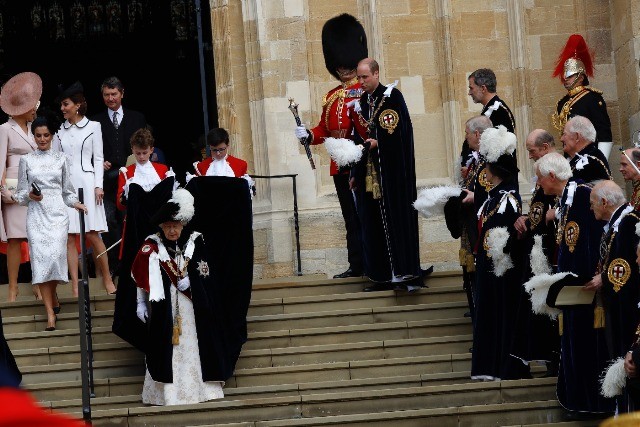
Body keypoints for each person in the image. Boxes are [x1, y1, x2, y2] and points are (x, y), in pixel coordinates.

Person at [533, 152, 614, 417]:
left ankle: (590, 404)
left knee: (587, 346)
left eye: (539, 178)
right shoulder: (566, 200)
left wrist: (600, 274)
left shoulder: (582, 195)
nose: (538, 184)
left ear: (552, 176)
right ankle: (578, 401)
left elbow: (599, 237)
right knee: (573, 343)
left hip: (587, 289)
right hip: (573, 289)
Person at [131, 188, 224, 405]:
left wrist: (192, 279)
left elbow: (206, 269)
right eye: (168, 227)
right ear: (162, 227)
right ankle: (168, 396)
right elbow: (140, 275)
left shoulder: (195, 241)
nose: (172, 231)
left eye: (176, 226)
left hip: (192, 306)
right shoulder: (152, 245)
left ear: (182, 225)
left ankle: (201, 392)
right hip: (164, 307)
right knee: (166, 348)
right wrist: (140, 303)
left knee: (193, 344)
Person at [294, 13, 367, 279]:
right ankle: (356, 263)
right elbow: (324, 130)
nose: (343, 69)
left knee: (364, 216)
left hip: (360, 162)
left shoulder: (364, 91)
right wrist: (307, 134)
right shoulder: (331, 96)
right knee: (350, 218)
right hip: (339, 166)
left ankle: (370, 262)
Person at [350, 58, 421, 291]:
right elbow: (360, 139)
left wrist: (377, 143)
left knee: (393, 221)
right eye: (358, 78)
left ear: (377, 74)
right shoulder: (364, 101)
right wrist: (356, 172)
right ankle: (380, 275)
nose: (360, 82)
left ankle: (402, 274)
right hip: (372, 175)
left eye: (364, 77)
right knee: (373, 224)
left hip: (392, 174)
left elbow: (398, 134)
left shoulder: (391, 98)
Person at [13, 115, 87, 331]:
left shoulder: (62, 158)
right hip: (36, 214)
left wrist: (77, 204)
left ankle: (53, 293)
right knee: (41, 262)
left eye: (46, 135)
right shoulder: (26, 160)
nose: (42, 139)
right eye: (38, 136)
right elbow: (20, 195)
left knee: (54, 258)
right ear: (33, 137)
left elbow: (68, 192)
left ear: (52, 136)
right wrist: (30, 196)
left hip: (57, 215)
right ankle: (49, 313)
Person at [470, 125, 527, 381]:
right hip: (488, 268)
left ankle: (504, 367)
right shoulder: (493, 198)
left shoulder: (509, 199)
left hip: (501, 272)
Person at [53, 81, 116, 296]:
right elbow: (55, 161)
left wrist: (99, 185)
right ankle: (75, 284)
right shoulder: (59, 131)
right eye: (62, 105)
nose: (62, 108)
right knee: (69, 237)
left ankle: (107, 278)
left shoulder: (93, 127)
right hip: (67, 188)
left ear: (77, 105)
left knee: (92, 234)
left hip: (88, 185)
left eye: (66, 104)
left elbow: (98, 159)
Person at [585, 180, 640, 413]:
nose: (590, 208)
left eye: (592, 204)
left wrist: (604, 278)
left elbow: (629, 266)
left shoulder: (629, 223)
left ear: (604, 202)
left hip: (628, 309)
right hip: (616, 306)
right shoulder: (617, 223)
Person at [510, 129, 559, 377]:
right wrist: (525, 219)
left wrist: (555, 214)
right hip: (536, 251)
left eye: (532, 151)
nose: (529, 156)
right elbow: (538, 211)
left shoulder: (559, 173)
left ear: (547, 146)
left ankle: (555, 359)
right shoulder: (542, 174)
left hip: (552, 254)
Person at [91, 76, 147, 278]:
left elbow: (145, 145)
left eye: (114, 94)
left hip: (131, 179)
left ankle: (134, 263)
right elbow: (88, 151)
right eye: (106, 95)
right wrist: (100, 161)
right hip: (105, 181)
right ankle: (116, 264)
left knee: (129, 220)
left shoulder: (136, 118)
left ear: (122, 93)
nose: (110, 98)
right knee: (107, 221)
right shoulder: (94, 120)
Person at [0, 72, 42, 302]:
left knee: (34, 236)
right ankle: (13, 286)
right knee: (15, 239)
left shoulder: (36, 129)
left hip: (34, 185)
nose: (35, 108)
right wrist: (2, 189)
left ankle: (37, 282)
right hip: (14, 184)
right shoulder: (5, 129)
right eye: (31, 104)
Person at [455, 115, 493, 321]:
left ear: (477, 134)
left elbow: (499, 191)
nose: (466, 138)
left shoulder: (493, 159)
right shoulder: (476, 160)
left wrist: (475, 196)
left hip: (482, 230)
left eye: (467, 133)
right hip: (470, 227)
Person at [551, 34, 613, 159]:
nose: (565, 79)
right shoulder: (562, 103)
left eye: (570, 76)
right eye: (565, 76)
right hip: (571, 157)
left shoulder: (592, 98)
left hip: (590, 155)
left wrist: (601, 161)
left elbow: (604, 133)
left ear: (581, 77)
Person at [460, 68, 516, 167]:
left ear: (483, 88)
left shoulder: (500, 112)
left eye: (471, 88)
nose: (469, 93)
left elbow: (500, 152)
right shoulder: (490, 109)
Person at [116, 128, 170, 211]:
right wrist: (124, 197)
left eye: (144, 153)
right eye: (138, 153)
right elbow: (120, 207)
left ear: (151, 150)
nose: (141, 157)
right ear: (132, 150)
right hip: (135, 217)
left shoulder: (162, 169)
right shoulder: (125, 172)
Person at [561, 115, 611, 183]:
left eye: (564, 134)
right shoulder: (585, 157)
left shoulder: (591, 162)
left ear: (577, 137)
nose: (561, 139)